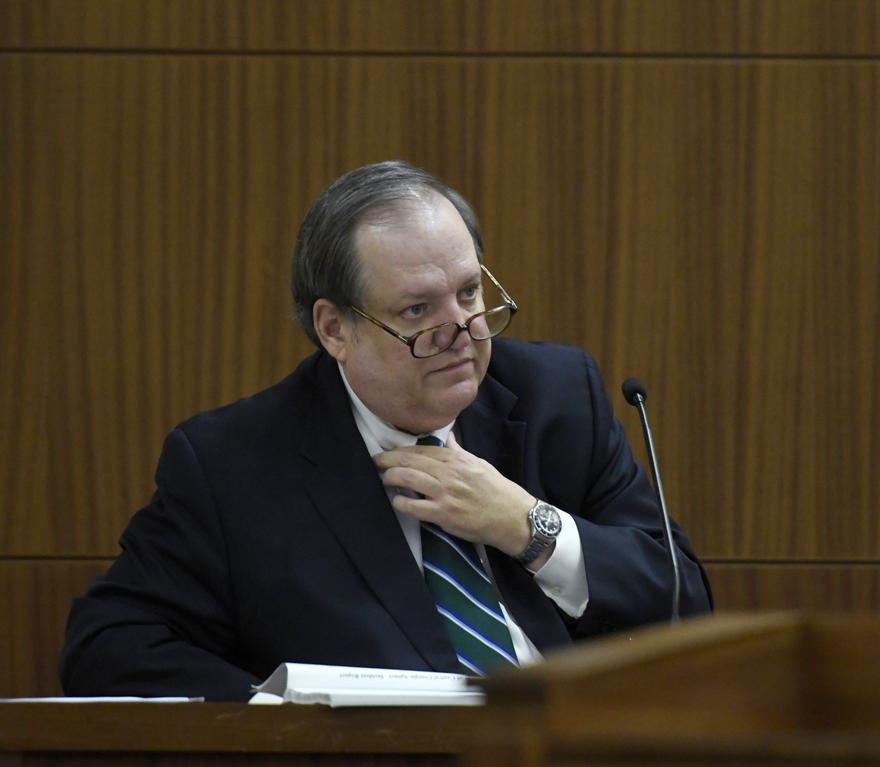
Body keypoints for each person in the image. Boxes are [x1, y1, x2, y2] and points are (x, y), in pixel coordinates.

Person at [60, 161, 712, 701]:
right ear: (335, 329)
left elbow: (683, 603)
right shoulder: (234, 463)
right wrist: (278, 718)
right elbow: (109, 642)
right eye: (418, 309)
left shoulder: (557, 398)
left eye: (469, 293)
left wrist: (527, 525)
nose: (462, 330)